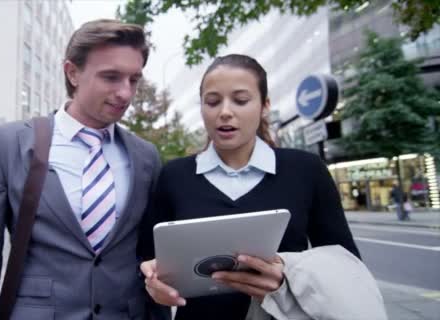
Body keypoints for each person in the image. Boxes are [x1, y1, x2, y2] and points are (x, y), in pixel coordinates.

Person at [0, 19, 167, 319]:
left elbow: (149, 253)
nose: (125, 93)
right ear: (72, 72)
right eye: (111, 77)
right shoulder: (4, 145)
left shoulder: (146, 157)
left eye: (134, 80)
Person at [139, 54, 360, 319]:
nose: (225, 112)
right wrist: (153, 284)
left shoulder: (307, 170)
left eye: (241, 100)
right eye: (212, 101)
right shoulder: (174, 176)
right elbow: (146, 259)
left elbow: (347, 263)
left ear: (264, 106)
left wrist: (285, 280)